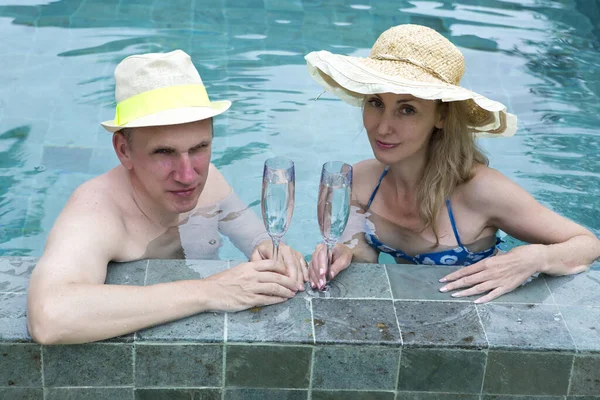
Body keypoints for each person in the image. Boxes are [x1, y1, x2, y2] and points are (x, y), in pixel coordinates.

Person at [27, 50, 308, 344]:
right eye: (164, 152)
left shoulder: (209, 177)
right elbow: (51, 316)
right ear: (124, 150)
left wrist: (271, 248)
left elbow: (256, 239)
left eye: (199, 147)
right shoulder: (97, 210)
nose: (188, 175)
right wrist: (211, 291)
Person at [305, 24, 600, 302]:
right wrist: (341, 254)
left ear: (441, 116)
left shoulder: (480, 190)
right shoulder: (354, 182)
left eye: (407, 109)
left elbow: (587, 244)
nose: (383, 127)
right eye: (376, 102)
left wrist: (532, 258)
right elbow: (363, 257)